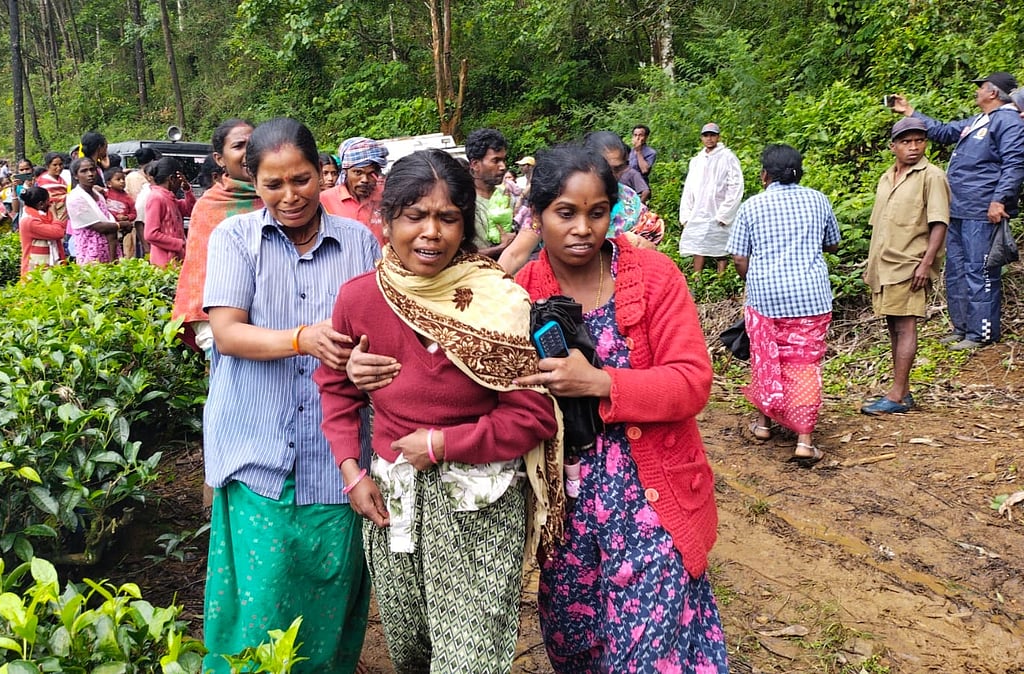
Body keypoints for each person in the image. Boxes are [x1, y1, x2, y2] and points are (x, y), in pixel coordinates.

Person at [315, 149, 560, 673]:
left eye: (448, 218)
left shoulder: (499, 302)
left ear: (465, 223)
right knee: (410, 648)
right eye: (415, 216)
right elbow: (336, 391)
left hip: (481, 503)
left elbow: (534, 415)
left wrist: (444, 444)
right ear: (387, 220)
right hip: (394, 500)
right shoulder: (360, 299)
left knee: (469, 658)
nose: (431, 232)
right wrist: (351, 471)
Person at [511, 145, 727, 672]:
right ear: (538, 217)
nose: (583, 227)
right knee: (573, 641)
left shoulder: (654, 277)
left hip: (649, 497)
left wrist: (601, 383)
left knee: (647, 650)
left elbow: (692, 382)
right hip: (567, 508)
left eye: (597, 212)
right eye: (566, 213)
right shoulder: (520, 292)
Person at [200, 117, 380, 674]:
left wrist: (366, 362)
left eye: (300, 179)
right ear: (254, 182)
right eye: (273, 184)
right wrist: (302, 338)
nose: (289, 195)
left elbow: (382, 328)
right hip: (260, 446)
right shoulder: (234, 238)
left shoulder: (360, 242)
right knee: (259, 598)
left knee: (328, 592)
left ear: (321, 174)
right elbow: (228, 333)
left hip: (337, 453)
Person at [891, 72, 1024, 350]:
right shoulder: (979, 120)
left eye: (981, 87)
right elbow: (942, 131)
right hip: (958, 208)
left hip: (982, 209)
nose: (977, 91)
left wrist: (1000, 199)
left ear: (993, 92)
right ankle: (962, 327)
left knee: (980, 270)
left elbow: (1014, 163)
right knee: (957, 270)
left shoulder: (1008, 121)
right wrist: (910, 111)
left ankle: (982, 333)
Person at [728, 144, 840, 465]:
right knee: (804, 362)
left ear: (764, 175)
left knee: (767, 358)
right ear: (799, 172)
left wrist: (755, 280)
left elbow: (738, 255)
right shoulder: (818, 200)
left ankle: (764, 425)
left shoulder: (752, 207)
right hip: (811, 298)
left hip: (765, 299)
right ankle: (804, 441)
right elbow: (833, 242)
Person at [861, 118, 950, 415]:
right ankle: (903, 390)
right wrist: (870, 265)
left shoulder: (932, 176)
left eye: (919, 141)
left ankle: (897, 396)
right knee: (893, 326)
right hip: (885, 265)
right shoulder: (887, 177)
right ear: (893, 147)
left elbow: (939, 223)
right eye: (906, 142)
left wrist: (926, 264)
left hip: (910, 263)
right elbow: (880, 225)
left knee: (906, 324)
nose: (914, 147)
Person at [498, 132, 660, 276]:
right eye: (567, 214)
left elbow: (648, 242)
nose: (612, 176)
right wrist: (488, 290)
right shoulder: (556, 194)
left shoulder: (628, 198)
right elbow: (515, 254)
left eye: (618, 169)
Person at [173, 118, 261, 352]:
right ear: (219, 159)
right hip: (222, 324)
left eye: (253, 144)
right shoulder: (210, 207)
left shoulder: (281, 198)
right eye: (238, 146)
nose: (247, 152)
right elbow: (200, 273)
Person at [679, 122, 744, 275]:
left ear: (718, 137)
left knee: (721, 246)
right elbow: (689, 188)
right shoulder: (697, 161)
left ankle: (721, 280)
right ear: (702, 138)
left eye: (712, 135)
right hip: (699, 210)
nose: (709, 139)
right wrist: (686, 214)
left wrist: (726, 212)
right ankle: (697, 280)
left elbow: (735, 185)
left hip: (718, 208)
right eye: (706, 135)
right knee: (698, 245)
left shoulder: (728, 157)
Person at [320, 136, 388, 243]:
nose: (364, 180)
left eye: (371, 173)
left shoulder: (387, 196)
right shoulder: (325, 200)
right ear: (345, 171)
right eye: (358, 172)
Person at [66, 157, 132, 264]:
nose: (90, 174)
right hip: (91, 250)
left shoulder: (97, 194)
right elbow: (98, 226)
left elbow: (107, 218)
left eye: (92, 169)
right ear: (75, 176)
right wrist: (122, 225)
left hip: (109, 249)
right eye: (84, 171)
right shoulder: (76, 198)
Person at [466, 128, 515, 258]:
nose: (503, 167)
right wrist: (500, 248)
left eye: (503, 160)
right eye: (496, 160)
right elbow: (458, 254)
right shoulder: (463, 201)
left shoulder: (507, 196)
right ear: (475, 164)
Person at [144, 156, 196, 267]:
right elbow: (150, 234)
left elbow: (190, 210)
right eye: (179, 180)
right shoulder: (157, 198)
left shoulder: (171, 199)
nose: (180, 182)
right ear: (172, 179)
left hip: (176, 259)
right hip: (164, 262)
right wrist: (179, 243)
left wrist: (187, 190)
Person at [17, 185, 67, 279]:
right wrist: (55, 214)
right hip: (35, 269)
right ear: (41, 204)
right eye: (48, 201)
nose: (51, 204)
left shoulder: (38, 214)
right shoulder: (30, 221)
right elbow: (58, 232)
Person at [586, 130, 650, 202]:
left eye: (618, 169)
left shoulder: (628, 195)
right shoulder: (577, 193)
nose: (612, 176)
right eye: (606, 169)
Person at [104, 167, 138, 260]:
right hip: (107, 226)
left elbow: (134, 214)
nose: (122, 181)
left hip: (122, 228)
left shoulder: (128, 198)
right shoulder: (105, 195)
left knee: (119, 248)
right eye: (118, 179)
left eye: (123, 179)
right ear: (109, 183)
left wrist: (126, 217)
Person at [36, 152, 69, 222]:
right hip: (51, 214)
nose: (59, 167)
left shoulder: (65, 177)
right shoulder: (42, 181)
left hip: (67, 215)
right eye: (55, 165)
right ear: (48, 166)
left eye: (61, 164)